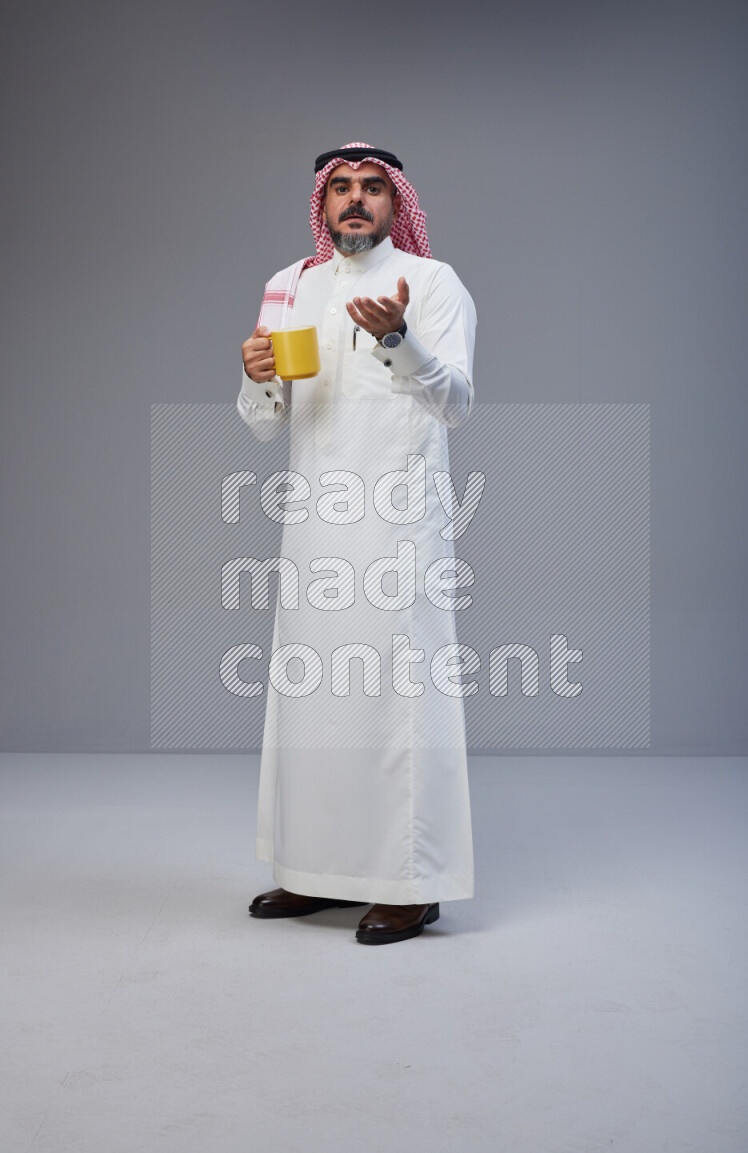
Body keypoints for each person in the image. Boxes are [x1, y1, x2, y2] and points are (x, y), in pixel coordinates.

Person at [238, 143, 477, 945]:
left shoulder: (435, 284)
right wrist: (255, 373)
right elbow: (266, 421)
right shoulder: (291, 285)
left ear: (394, 201)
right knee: (313, 700)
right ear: (323, 200)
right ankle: (314, 871)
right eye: (340, 187)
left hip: (398, 525)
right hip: (312, 523)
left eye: (373, 188)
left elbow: (456, 402)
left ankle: (409, 883)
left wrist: (401, 337)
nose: (355, 200)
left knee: (394, 701)